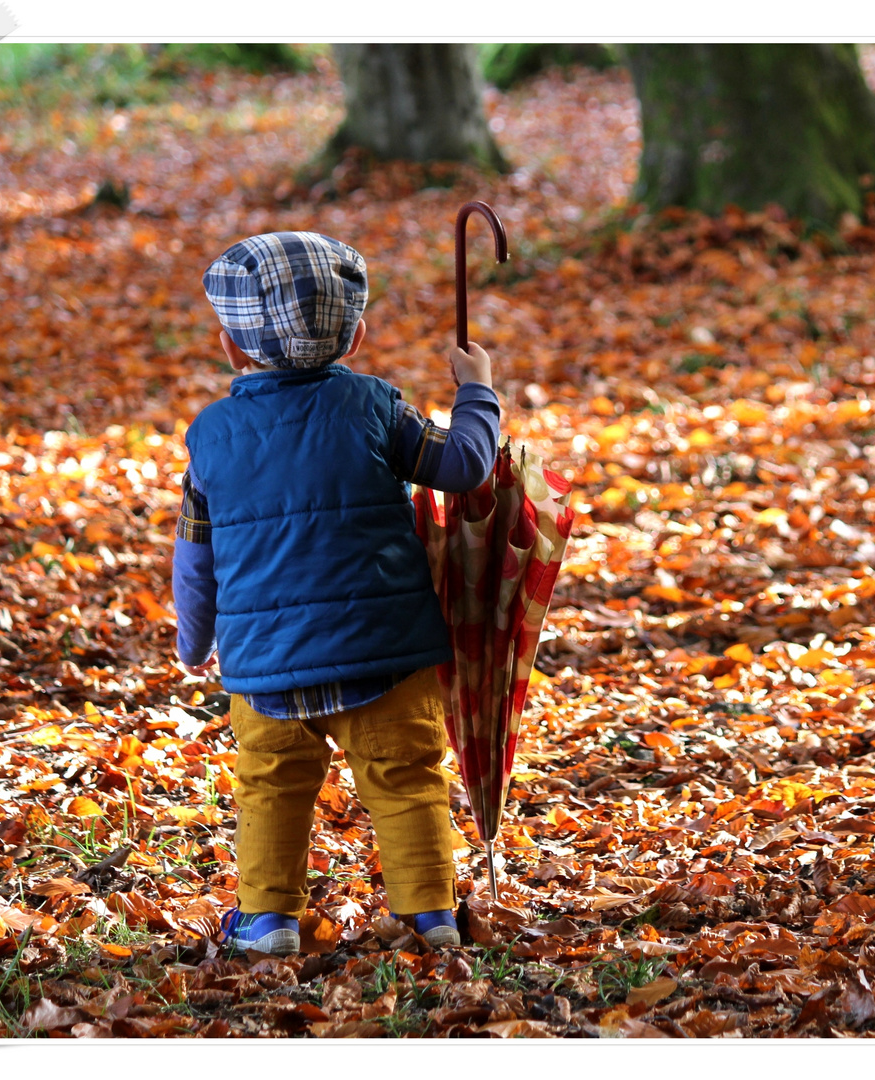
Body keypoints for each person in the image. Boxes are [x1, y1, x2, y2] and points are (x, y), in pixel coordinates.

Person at [173, 231, 499, 953]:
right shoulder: (375, 409)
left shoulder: (211, 436)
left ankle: (266, 921)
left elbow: (195, 553)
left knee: (270, 786)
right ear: (356, 337)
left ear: (231, 347)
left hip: (265, 665)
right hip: (385, 652)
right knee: (405, 778)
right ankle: (429, 914)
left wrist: (193, 640)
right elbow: (466, 466)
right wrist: (475, 389)